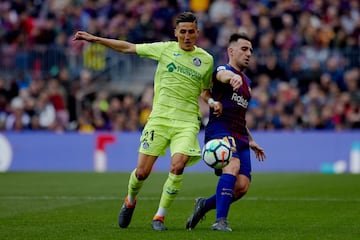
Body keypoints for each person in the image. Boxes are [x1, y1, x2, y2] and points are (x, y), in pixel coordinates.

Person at [73, 12, 219, 231]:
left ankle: (159, 217)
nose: (187, 36)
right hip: (159, 120)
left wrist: (212, 101)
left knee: (178, 166)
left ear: (197, 32)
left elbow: (204, 90)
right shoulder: (164, 49)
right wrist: (95, 39)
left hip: (187, 122)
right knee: (142, 172)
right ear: (176, 33)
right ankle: (130, 200)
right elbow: (128, 47)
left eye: (191, 31)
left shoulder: (206, 60)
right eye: (183, 32)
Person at [186, 33, 266, 231]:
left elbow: (239, 116)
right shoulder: (225, 70)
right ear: (231, 51)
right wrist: (233, 78)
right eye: (244, 49)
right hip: (219, 130)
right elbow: (222, 75)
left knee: (241, 187)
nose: (249, 54)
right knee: (233, 164)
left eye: (251, 51)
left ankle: (204, 205)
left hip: (240, 136)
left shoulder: (247, 82)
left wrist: (251, 140)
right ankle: (220, 221)